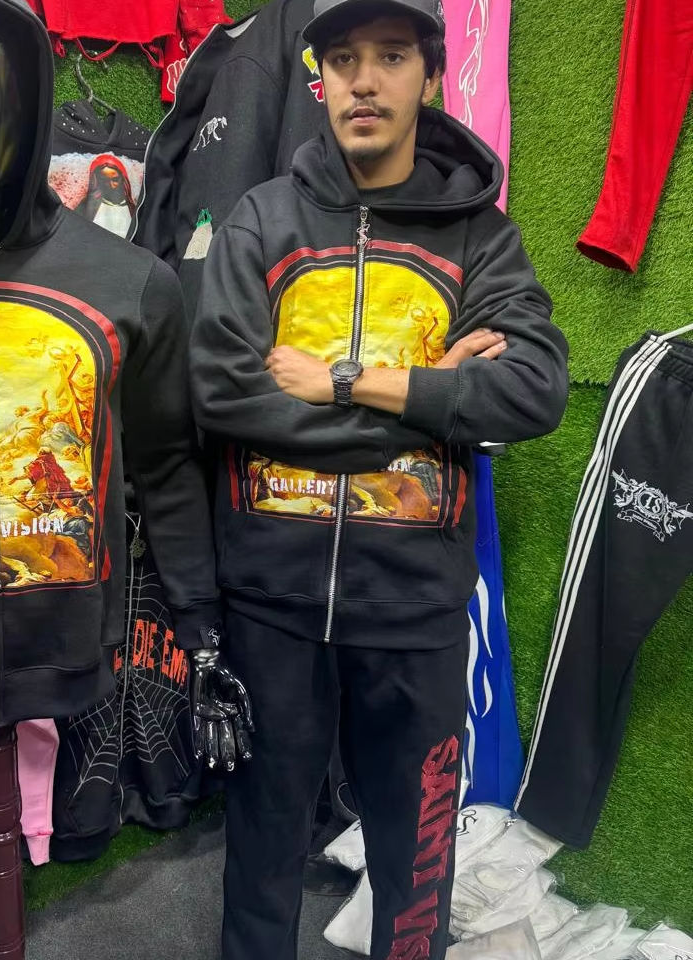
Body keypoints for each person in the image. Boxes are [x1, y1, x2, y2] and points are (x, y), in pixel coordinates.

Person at [189, 1, 569, 958]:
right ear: (319, 77)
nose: (364, 80)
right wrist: (428, 402)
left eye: (392, 57)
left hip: (415, 609)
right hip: (272, 600)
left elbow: (533, 388)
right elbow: (222, 390)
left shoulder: (479, 237)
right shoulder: (263, 219)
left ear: (430, 76)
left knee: (415, 855)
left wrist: (347, 380)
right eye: (345, 58)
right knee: (262, 845)